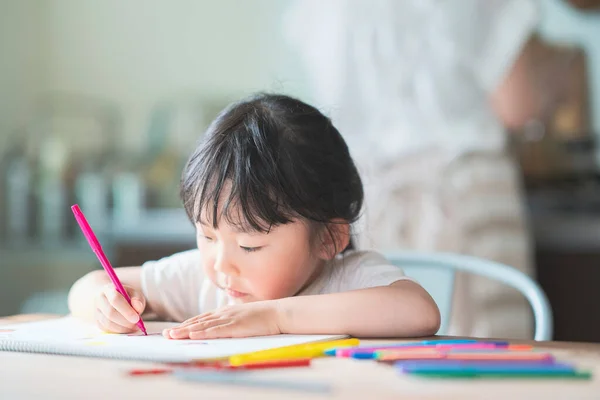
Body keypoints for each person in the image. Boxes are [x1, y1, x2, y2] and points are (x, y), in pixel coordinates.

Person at [68, 93, 440, 339]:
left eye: (249, 245)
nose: (221, 264)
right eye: (207, 236)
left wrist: (274, 317)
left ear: (327, 237)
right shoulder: (202, 278)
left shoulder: (350, 278)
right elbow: (87, 286)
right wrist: (106, 303)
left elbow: (419, 311)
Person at [285, 0, 549, 339]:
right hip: (464, 191)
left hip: (367, 203)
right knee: (488, 359)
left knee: (385, 357)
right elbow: (518, 105)